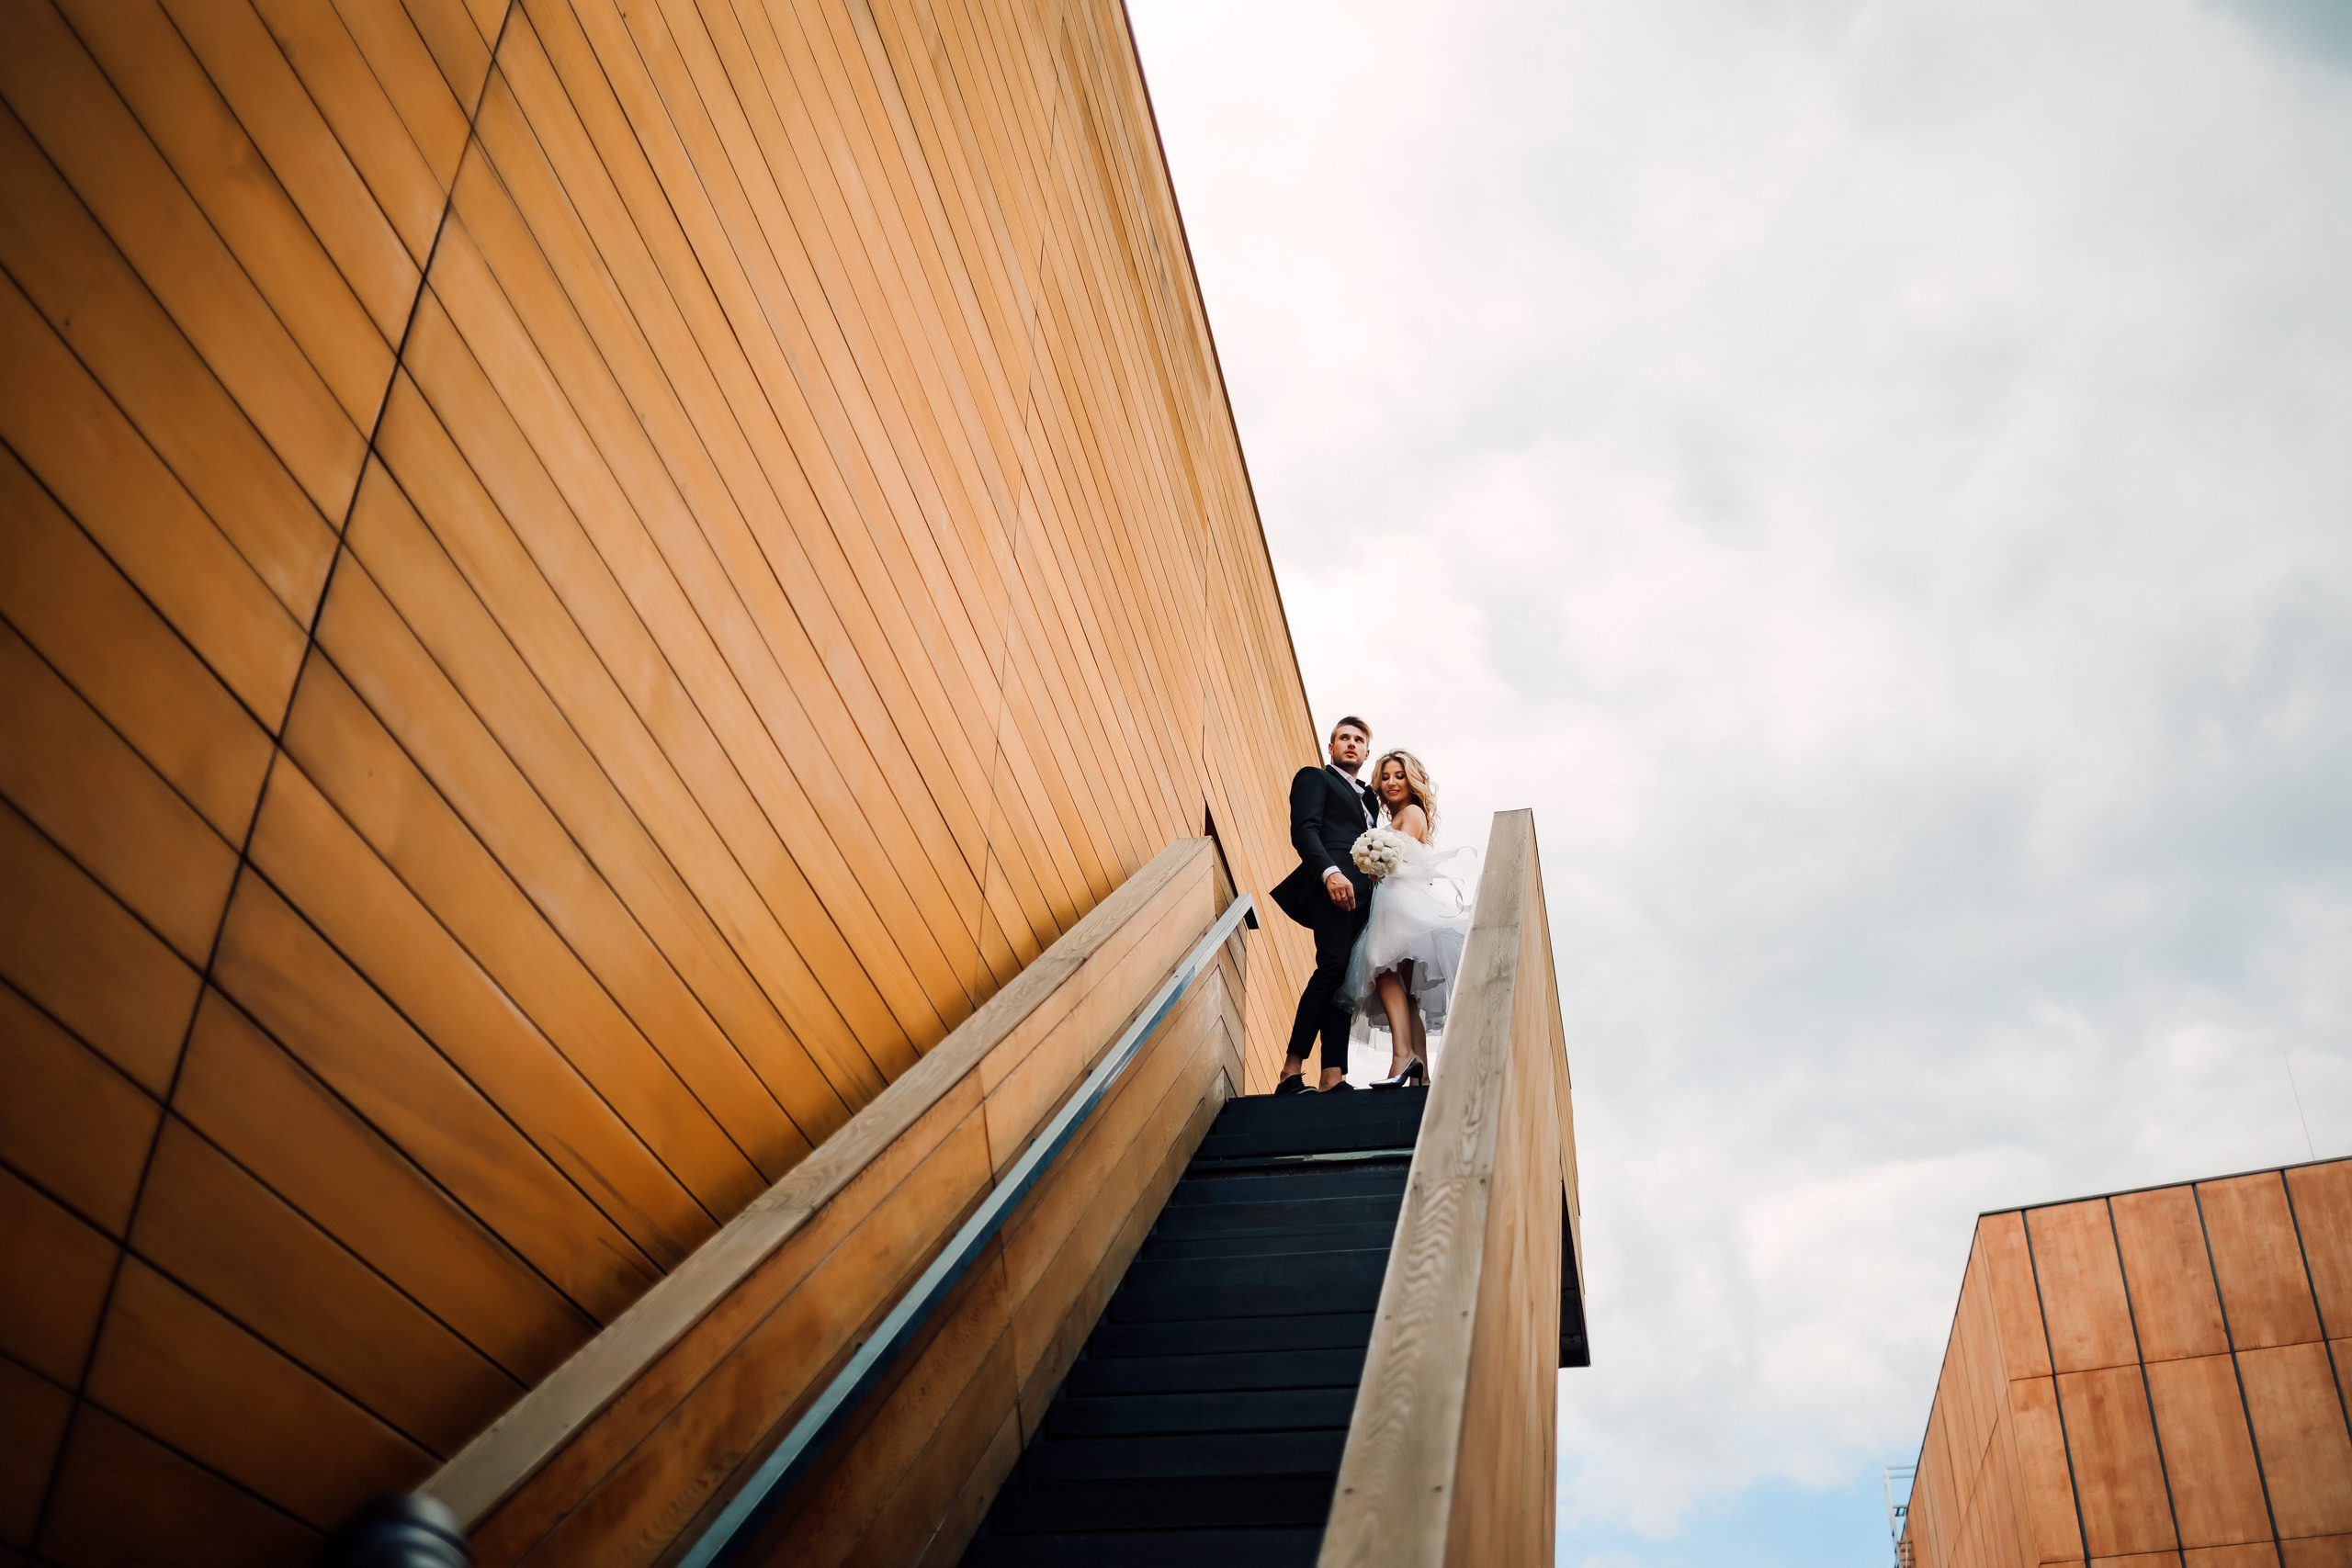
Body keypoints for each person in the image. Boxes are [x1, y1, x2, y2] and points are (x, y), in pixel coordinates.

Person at [1338, 749, 1474, 1088]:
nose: (1391, 782)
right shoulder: (1397, 818)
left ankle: (1402, 1057)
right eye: (1385, 777)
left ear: (1411, 781)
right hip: (1400, 899)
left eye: (1399, 776)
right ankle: (1421, 1074)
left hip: (1400, 900)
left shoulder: (1411, 812)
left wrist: (1374, 862)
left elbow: (1400, 854)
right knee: (1407, 992)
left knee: (1382, 972)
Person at [1268, 716, 1379, 1093]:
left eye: (1358, 739)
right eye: (1343, 738)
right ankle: (1290, 1070)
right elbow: (1304, 830)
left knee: (1346, 981)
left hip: (1364, 900)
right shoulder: (1315, 777)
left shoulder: (1370, 801)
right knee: (1331, 967)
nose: (1351, 743)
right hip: (1330, 888)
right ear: (1331, 748)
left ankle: (1333, 1077)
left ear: (1367, 752)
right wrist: (1330, 873)